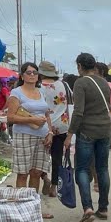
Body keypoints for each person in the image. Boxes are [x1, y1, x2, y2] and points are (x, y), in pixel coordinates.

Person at [68, 53, 111, 222]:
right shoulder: (104, 82)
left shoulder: (80, 83)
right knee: (102, 168)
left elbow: (78, 112)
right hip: (104, 131)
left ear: (80, 66)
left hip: (87, 132)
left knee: (82, 169)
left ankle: (88, 207)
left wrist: (70, 134)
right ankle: (103, 208)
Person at [5, 62, 54, 219]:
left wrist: (50, 132)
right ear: (22, 75)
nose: (32, 75)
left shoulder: (42, 92)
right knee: (23, 173)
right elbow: (10, 117)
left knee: (37, 172)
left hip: (42, 136)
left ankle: (34, 209)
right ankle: (21, 210)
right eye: (28, 72)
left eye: (35, 72)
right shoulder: (16, 93)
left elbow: (47, 115)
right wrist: (32, 119)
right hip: (23, 136)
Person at [38, 62, 72, 198]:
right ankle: (54, 186)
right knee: (57, 157)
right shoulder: (64, 85)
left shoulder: (39, 86)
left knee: (40, 156)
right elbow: (71, 102)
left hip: (43, 125)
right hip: (62, 125)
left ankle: (44, 177)